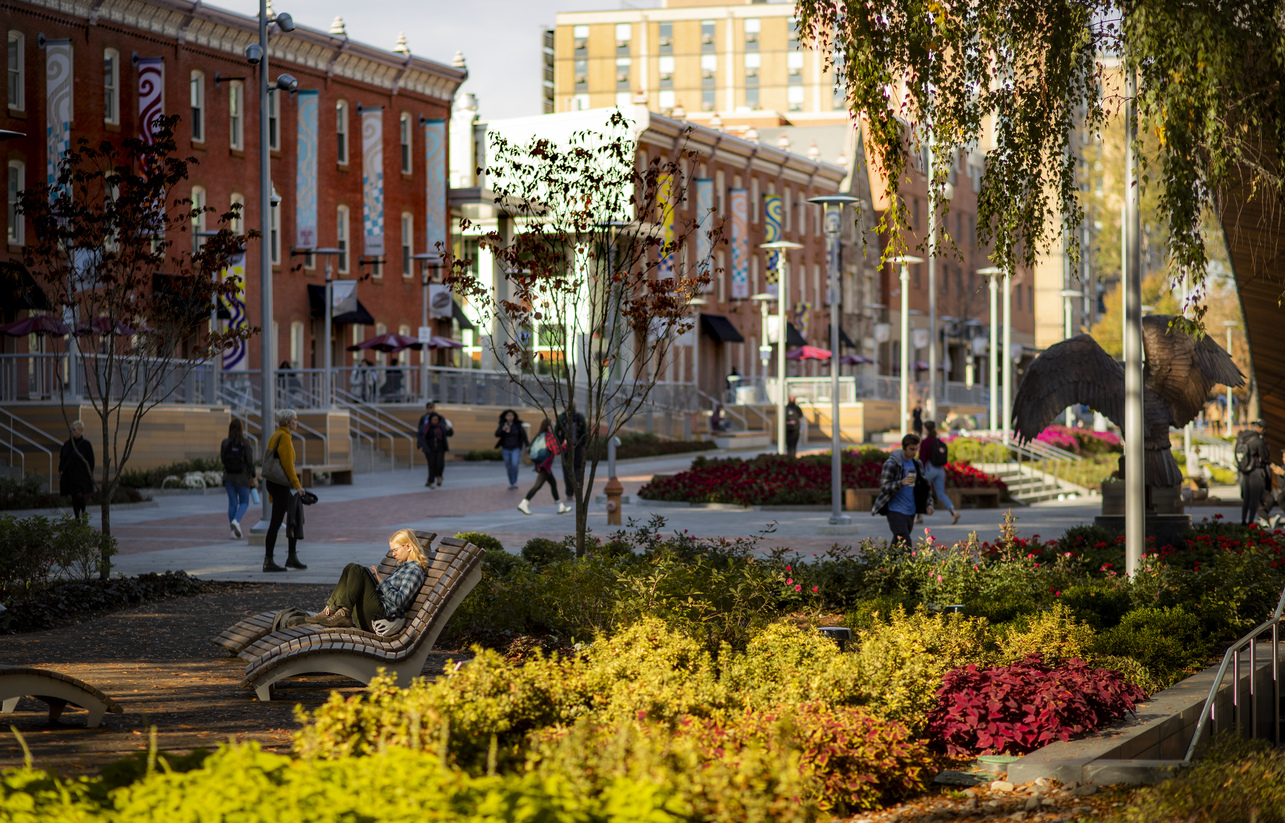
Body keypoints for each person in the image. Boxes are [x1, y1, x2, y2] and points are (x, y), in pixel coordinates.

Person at [305, 529, 430, 631]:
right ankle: (331, 610)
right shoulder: (404, 568)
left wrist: (381, 581)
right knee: (350, 568)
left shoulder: (414, 570)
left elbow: (400, 601)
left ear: (408, 547)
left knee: (358, 570)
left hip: (380, 618)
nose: (393, 554)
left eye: (395, 550)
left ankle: (344, 614)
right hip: (373, 615)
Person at [871, 433, 935, 549]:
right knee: (905, 541)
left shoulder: (917, 464)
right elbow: (884, 487)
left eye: (916, 449)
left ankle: (886, 565)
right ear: (904, 447)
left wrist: (929, 503)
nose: (914, 452)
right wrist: (901, 482)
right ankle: (911, 566)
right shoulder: (892, 464)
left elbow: (924, 486)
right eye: (911, 449)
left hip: (911, 510)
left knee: (898, 542)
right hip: (895, 510)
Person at [263, 408, 306, 572]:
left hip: (274, 484)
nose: (297, 422)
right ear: (287, 422)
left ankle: (288, 557)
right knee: (281, 521)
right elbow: (288, 466)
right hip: (280, 485)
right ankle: (273, 560)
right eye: (294, 419)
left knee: (288, 518)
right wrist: (298, 486)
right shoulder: (285, 438)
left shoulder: (275, 435)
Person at [518, 419, 571, 515]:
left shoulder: (540, 435)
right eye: (552, 426)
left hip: (541, 464)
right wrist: (565, 444)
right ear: (548, 427)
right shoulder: (549, 436)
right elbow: (557, 451)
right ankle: (524, 502)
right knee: (537, 486)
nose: (554, 428)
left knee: (553, 484)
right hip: (545, 465)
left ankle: (560, 506)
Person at [918, 421, 960, 525]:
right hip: (940, 470)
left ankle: (919, 516)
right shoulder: (938, 441)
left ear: (926, 429)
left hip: (929, 469)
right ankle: (953, 511)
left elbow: (922, 459)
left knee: (919, 491)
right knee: (941, 493)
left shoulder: (925, 442)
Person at [220, 418, 256, 539]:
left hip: (229, 477)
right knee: (244, 502)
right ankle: (236, 520)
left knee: (232, 503)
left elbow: (223, 460)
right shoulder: (245, 443)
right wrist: (254, 476)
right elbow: (250, 462)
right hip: (242, 477)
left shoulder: (225, 443)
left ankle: (232, 532)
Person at [1234, 419, 1271, 526]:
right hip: (1255, 471)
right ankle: (1250, 522)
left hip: (1244, 472)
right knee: (1254, 499)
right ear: (1261, 429)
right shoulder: (1258, 441)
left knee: (1246, 498)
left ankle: (1243, 521)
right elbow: (1264, 457)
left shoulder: (1242, 438)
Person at [58, 419, 95, 521]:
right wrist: (61, 470)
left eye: (74, 430)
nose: (72, 432)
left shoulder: (86, 444)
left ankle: (83, 513)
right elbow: (62, 459)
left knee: (80, 495)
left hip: (81, 477)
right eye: (71, 430)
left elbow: (91, 461)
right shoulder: (67, 445)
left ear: (80, 431)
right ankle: (77, 518)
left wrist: (89, 474)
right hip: (70, 476)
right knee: (74, 497)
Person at [556, 403, 588, 504]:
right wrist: (560, 442)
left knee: (577, 467)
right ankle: (570, 492)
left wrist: (583, 443)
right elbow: (556, 431)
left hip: (577, 446)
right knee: (567, 469)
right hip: (566, 447)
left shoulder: (579, 417)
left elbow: (584, 431)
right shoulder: (561, 417)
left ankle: (576, 488)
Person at [495, 409, 529, 490]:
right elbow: (497, 434)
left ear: (514, 416)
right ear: (505, 416)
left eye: (511, 415)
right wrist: (502, 429)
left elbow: (524, 435)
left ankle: (514, 482)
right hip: (506, 448)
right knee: (508, 466)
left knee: (514, 465)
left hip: (515, 448)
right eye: (508, 415)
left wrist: (527, 445)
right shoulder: (503, 424)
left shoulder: (517, 425)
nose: (510, 417)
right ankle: (511, 482)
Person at [418, 411, 453, 488]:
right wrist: (420, 444)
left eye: (436, 419)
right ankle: (431, 482)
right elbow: (420, 435)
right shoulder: (426, 427)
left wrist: (449, 429)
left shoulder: (442, 426)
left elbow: (450, 433)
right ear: (430, 420)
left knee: (440, 464)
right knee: (431, 465)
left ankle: (439, 476)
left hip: (440, 448)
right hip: (429, 449)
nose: (435, 421)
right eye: (433, 419)